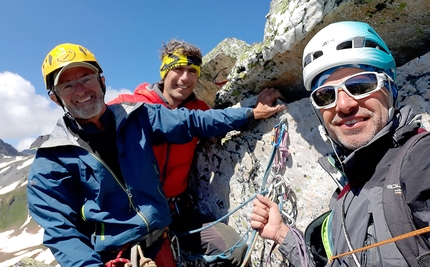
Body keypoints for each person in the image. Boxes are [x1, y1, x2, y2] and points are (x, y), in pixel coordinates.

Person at [27, 43, 286, 267]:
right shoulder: (51, 162)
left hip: (162, 240)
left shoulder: (136, 116)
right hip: (114, 255)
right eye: (67, 85)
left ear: (102, 81)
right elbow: (62, 232)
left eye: (86, 78)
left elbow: (192, 122)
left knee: (233, 249)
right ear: (54, 97)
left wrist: (250, 113)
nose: (80, 90)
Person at [250, 21, 430, 267]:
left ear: (390, 89)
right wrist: (282, 234)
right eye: (326, 95)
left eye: (361, 85)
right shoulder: (348, 190)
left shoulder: (421, 160)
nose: (344, 105)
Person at [109, 39, 279, 265]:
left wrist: (250, 106)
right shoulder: (130, 106)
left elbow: (217, 119)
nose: (185, 78)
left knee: (235, 251)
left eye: (192, 71)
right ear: (164, 71)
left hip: (177, 212)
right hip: (134, 215)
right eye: (177, 69)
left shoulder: (200, 111)